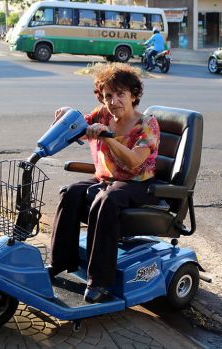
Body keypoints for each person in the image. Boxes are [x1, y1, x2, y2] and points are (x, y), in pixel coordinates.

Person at [48, 63, 160, 303]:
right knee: (70, 193)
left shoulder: (147, 124)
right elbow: (77, 127)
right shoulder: (102, 114)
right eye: (108, 95)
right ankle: (59, 262)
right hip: (106, 179)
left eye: (120, 94)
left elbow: (133, 163)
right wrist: (67, 113)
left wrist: (107, 138)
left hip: (138, 184)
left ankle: (99, 280)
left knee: (105, 200)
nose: (114, 101)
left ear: (133, 95)